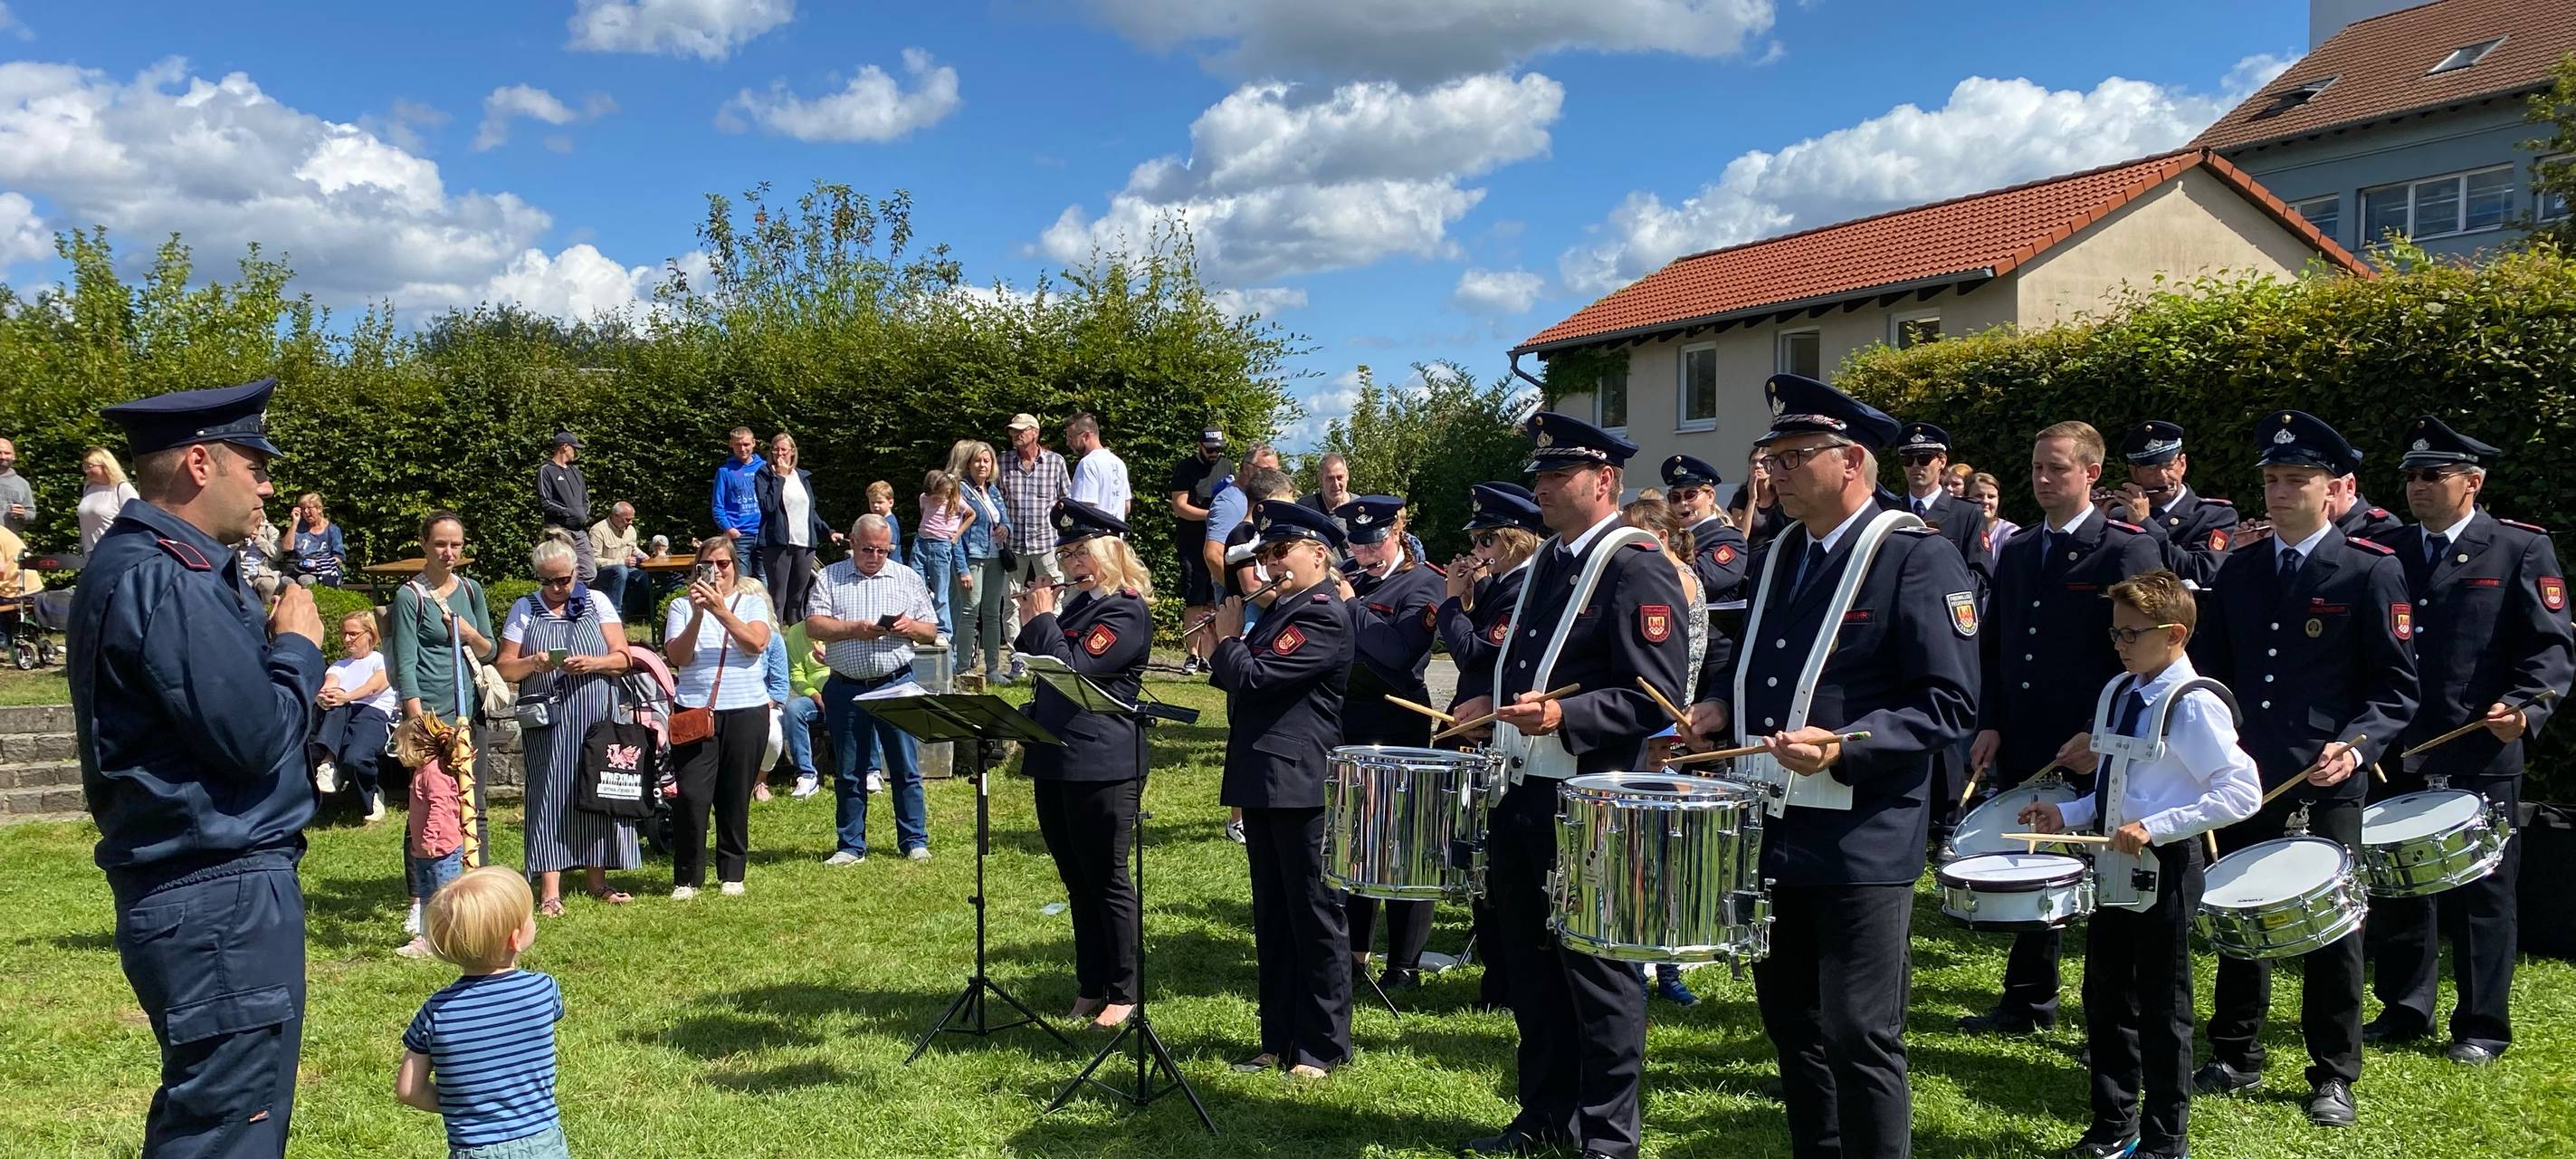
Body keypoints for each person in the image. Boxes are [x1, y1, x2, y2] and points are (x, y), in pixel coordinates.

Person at [1686, 374, 1980, 1159]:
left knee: (1859, 1028)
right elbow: (1755, 658)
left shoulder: (1917, 557)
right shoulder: (1782, 551)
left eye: (1793, 456)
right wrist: (1719, 704)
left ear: (1852, 461)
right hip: (1777, 824)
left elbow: (1949, 704)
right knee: (1790, 1020)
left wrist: (1848, 744)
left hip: (1863, 833)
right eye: (1771, 457)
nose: (1773, 472)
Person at [72, 377, 326, 1157]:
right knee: (226, 1130)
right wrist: (297, 651)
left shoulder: (153, 566)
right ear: (199, 463)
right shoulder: (163, 576)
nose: (269, 483)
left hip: (209, 892)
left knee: (220, 1117)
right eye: (255, 463)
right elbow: (255, 738)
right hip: (217, 895)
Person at [1451, 412, 1688, 1159]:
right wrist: (1491, 705)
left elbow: (1657, 696)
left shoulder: (1635, 563)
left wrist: (1565, 713)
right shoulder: (1550, 562)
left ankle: (1607, 1134)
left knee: (1599, 974)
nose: (1544, 489)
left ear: (1604, 481)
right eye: (1542, 477)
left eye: (1559, 477)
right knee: (1532, 967)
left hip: (1590, 797)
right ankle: (1544, 1114)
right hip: (1526, 790)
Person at [2189, 409, 2417, 1128]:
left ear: (2336, 489)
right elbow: (2215, 673)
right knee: (2241, 912)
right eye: (2273, 479)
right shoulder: (2243, 569)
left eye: (2297, 480)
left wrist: (2357, 742)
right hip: (2249, 775)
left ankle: (2333, 1071)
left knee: (2334, 929)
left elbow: (2397, 688)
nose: (2280, 492)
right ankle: (2236, 1052)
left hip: (2329, 778)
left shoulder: (2370, 569)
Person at [2018, 570, 2261, 1159]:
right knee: (2104, 998)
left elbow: (2242, 792)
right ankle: (2112, 1125)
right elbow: (2115, 790)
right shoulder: (2118, 692)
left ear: (2174, 634)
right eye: (2116, 634)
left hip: (2168, 865)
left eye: (2132, 634)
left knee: (2163, 1007)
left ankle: (2164, 1139)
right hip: (2112, 861)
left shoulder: (2195, 704)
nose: (2121, 645)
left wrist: (2156, 827)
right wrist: (2068, 814)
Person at [2367, 416, 2573, 1065]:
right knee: (2402, 884)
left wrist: (2522, 709)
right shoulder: (2388, 551)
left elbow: (2551, 650)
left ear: (2472, 483)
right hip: (2402, 747)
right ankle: (2405, 1008)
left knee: (2484, 891)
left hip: (2480, 750)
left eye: (2433, 476)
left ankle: (2482, 1025)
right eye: (2410, 476)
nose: (2417, 487)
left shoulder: (2518, 548)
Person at [1960, 421, 2161, 1036]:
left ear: (2092, 474)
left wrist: (2100, 736)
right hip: (2028, 737)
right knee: (2030, 858)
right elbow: (1996, 649)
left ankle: (2111, 1015)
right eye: (2038, 468)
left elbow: (2152, 659)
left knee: (2107, 880)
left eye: (2059, 469)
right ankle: (2026, 1001)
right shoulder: (2017, 550)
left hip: (2100, 746)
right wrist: (1990, 721)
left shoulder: (2126, 549)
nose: (2044, 481)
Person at [1213, 500, 1357, 1078]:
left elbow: (1252, 678)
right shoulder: (1281, 610)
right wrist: (1234, 643)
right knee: (1273, 917)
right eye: (1266, 554)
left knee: (1315, 916)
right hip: (1266, 776)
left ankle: (1322, 1045)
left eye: (1282, 552)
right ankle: (1278, 1037)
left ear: (1318, 554)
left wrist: (1227, 639)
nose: (1271, 564)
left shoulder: (1320, 613)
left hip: (1300, 782)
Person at [1015, 499, 1154, 1027]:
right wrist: (1042, 619)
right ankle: (1091, 982)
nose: (1071, 563)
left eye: (1081, 551)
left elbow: (1074, 670)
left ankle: (1124, 988)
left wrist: (1044, 618)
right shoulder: (1075, 608)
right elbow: (1038, 663)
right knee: (1074, 876)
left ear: (1109, 551)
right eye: (1066, 552)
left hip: (1102, 759)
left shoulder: (1124, 608)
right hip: (1055, 753)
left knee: (1107, 876)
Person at [1330, 494, 1446, 993]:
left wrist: (1351, 607)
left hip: (1398, 725)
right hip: (1346, 722)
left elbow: (1398, 653)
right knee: (1353, 843)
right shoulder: (1348, 577)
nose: (1365, 552)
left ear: (1397, 533)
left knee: (1405, 843)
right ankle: (1354, 956)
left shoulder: (1425, 582)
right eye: (1356, 543)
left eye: (1375, 540)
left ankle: (1404, 965)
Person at [494, 534, 640, 913]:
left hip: (595, 713)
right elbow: (504, 666)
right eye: (548, 581)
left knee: (597, 790)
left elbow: (623, 657)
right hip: (548, 720)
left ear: (576, 572)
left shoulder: (598, 602)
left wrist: (593, 663)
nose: (558, 588)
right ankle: (550, 892)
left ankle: (598, 880)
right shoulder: (524, 609)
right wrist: (532, 664)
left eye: (564, 579)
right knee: (549, 794)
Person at [396, 867, 570, 1159]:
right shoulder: (543, 991)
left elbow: (408, 1090)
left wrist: (461, 1104)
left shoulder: (436, 1012)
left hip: (474, 1149)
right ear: (515, 939)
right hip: (543, 1142)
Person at [806, 514, 940, 863]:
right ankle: (851, 845)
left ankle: (914, 840)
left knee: (905, 766)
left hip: (895, 682)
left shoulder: (906, 577)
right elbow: (813, 625)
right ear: (852, 542)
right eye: (868, 549)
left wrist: (910, 627)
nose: (875, 556)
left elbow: (931, 631)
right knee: (850, 769)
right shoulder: (830, 577)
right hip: (846, 686)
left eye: (883, 550)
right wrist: (855, 629)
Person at [662, 536, 775, 898]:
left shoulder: (753, 602)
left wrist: (721, 610)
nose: (717, 572)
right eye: (708, 565)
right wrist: (698, 614)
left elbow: (756, 644)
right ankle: (687, 877)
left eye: (723, 564)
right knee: (692, 796)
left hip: (745, 709)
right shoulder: (681, 607)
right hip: (696, 709)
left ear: (734, 568)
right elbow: (679, 656)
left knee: (734, 795)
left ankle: (732, 873)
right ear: (697, 569)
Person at [389, 512, 499, 729]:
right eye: (440, 544)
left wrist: (469, 634)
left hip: (471, 713)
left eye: (456, 545)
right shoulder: (410, 596)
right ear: (423, 543)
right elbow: (406, 665)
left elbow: (490, 651)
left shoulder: (471, 590)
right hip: (432, 717)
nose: (449, 553)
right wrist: (418, 722)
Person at [2111, 421, 2239, 587]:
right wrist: (2095, 518)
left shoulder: (2214, 515)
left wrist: (2145, 524)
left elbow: (2203, 571)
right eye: (2150, 468)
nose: (2162, 476)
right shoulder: (2119, 517)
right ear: (2134, 473)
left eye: (2168, 465)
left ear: (2183, 464)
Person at [998, 412, 1071, 670]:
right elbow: (995, 501)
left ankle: (1055, 653)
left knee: (1056, 596)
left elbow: (1066, 501)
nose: (1016, 435)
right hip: (1013, 544)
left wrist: (1065, 537)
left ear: (1035, 433)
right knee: (1012, 601)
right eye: (1013, 431)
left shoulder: (1055, 462)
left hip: (1047, 542)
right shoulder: (1003, 462)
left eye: (1021, 430)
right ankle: (1018, 658)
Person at [394, 715, 468, 960]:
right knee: (428, 896)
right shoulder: (422, 771)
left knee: (444, 896)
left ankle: (454, 938)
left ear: (418, 747)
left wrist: (429, 838)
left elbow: (440, 808)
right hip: (425, 850)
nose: (398, 753)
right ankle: (428, 938)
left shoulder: (433, 774)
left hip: (441, 850)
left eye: (401, 748)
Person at [314, 609, 397, 822]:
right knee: (335, 703)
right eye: (344, 634)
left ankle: (371, 793)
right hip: (340, 718)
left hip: (373, 715)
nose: (347, 639)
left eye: (353, 634)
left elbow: (374, 688)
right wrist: (325, 696)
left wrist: (346, 696)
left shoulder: (382, 661)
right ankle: (329, 763)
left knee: (355, 760)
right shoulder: (339, 666)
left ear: (370, 634)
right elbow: (330, 684)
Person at [755, 432, 839, 622]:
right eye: (775, 449)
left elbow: (810, 512)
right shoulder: (764, 474)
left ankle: (796, 643)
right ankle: (774, 641)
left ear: (792, 452)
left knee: (797, 599)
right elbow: (767, 506)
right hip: (778, 544)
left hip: (805, 543)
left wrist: (829, 532)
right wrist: (779, 478)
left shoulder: (802, 477)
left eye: (783, 450)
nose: (779, 454)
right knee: (778, 598)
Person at [1170, 429, 1234, 676]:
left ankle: (1212, 654)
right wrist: (1212, 515)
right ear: (1200, 446)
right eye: (1210, 449)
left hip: (1219, 543)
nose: (1214, 454)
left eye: (1218, 449)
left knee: (1216, 598)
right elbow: (1180, 506)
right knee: (1194, 600)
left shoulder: (1227, 466)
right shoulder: (1186, 468)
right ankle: (1193, 655)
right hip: (1192, 544)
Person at [1891, 422, 1990, 575]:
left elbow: (1980, 574)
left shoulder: (1966, 513)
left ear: (1942, 462)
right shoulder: (1890, 512)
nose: (1916, 465)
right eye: (1908, 460)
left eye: (1924, 459)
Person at [950, 439, 1013, 680]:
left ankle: (993, 669)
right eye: (977, 460)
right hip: (972, 559)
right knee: (970, 612)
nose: (982, 465)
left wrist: (1006, 529)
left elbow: (1006, 519)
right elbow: (954, 533)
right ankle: (964, 667)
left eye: (987, 461)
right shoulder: (960, 491)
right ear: (969, 463)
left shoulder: (994, 491)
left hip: (996, 558)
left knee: (991, 613)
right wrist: (962, 568)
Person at [913, 468, 973, 639]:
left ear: (946, 490)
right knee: (918, 586)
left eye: (936, 497)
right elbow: (925, 515)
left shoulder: (955, 501)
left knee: (941, 592)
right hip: (921, 543)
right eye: (931, 496)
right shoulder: (924, 498)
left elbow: (971, 515)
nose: (933, 500)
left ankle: (943, 632)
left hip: (941, 546)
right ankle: (921, 628)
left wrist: (956, 534)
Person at [536, 432, 595, 583]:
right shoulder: (546, 470)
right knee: (561, 572)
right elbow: (546, 502)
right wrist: (568, 513)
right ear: (564, 447)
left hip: (579, 531)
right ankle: (564, 602)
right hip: (560, 531)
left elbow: (585, 498)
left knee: (589, 572)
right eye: (573, 448)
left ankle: (578, 600)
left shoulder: (576, 472)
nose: (575, 452)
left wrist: (584, 514)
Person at [783, 618, 829, 800]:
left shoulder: (844, 627)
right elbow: (796, 676)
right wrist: (817, 697)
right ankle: (806, 774)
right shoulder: (796, 632)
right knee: (794, 709)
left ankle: (870, 771)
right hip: (815, 697)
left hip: (843, 691)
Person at [712, 426, 766, 579]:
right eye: (738, 445)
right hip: (739, 534)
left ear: (754, 443)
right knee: (741, 578)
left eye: (746, 444)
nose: (743, 449)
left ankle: (765, 604)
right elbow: (718, 506)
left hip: (763, 532)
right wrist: (729, 529)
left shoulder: (763, 468)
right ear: (731, 444)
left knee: (764, 577)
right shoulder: (725, 471)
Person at [589, 501, 647, 621]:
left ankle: (628, 611)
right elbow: (593, 561)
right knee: (620, 570)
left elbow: (633, 548)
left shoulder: (630, 530)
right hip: (603, 573)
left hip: (627, 569)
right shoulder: (598, 530)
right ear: (615, 516)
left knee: (644, 577)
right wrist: (622, 562)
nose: (630, 523)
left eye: (632, 519)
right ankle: (615, 614)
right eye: (627, 519)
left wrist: (646, 557)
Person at [1065, 412, 1131, 519]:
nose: (1068, 443)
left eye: (1071, 438)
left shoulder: (1088, 463)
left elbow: (1084, 507)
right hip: (1116, 533)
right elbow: (1127, 506)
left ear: (1086, 435)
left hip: (1094, 534)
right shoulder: (1119, 463)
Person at [77, 446, 140, 554]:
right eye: (85, 466)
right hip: (90, 552)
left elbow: (136, 521)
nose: (86, 471)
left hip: (115, 551)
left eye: (90, 466)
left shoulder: (122, 488)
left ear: (105, 465)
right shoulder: (88, 488)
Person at [1727, 445, 1785, 552]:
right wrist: (1752, 499)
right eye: (1753, 462)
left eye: (1763, 462)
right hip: (1751, 558)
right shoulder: (1742, 496)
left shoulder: (1782, 493)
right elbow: (1741, 536)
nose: (1757, 465)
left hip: (1778, 555)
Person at [285, 492, 346, 588]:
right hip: (298, 569)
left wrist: (320, 564)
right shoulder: (298, 528)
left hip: (322, 572)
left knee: (305, 580)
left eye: (309, 508)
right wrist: (295, 523)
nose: (306, 512)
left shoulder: (332, 530)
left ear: (319, 509)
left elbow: (338, 557)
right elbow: (287, 547)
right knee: (285, 581)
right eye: (303, 509)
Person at [1970, 470, 2018, 573]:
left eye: (1991, 496)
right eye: (1978, 496)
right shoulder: (1959, 531)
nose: (1985, 501)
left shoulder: (2011, 534)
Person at [1297, 452, 1355, 516]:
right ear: (1321, 479)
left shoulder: (1361, 507)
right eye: (1330, 479)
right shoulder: (1305, 509)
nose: (1336, 484)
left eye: (1339, 477)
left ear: (1347, 476)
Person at [0, 436, 30, 533]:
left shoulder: (22, 484)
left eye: (7, 453)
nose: (3, 457)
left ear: (13, 456)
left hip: (8, 542)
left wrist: (23, 513)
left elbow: (31, 513)